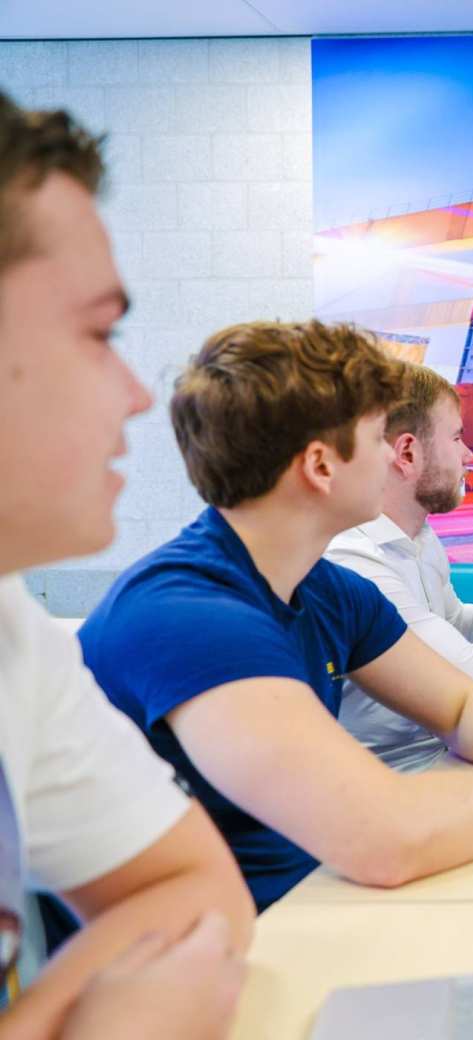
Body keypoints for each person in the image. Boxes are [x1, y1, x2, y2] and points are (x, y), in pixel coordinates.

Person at [78, 319, 473, 913]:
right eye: (375, 438)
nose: (394, 456)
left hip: (311, 900)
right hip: (251, 934)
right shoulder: (193, 619)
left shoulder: (326, 588)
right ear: (320, 466)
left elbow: (465, 705)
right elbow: (388, 841)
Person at [0, 93, 253, 1038]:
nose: (140, 394)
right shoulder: (185, 605)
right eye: (99, 334)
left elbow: (187, 888)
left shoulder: (11, 627)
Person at [326, 364, 473, 772]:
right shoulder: (356, 564)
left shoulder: (420, 540)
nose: (469, 455)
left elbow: (448, 623)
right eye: (457, 437)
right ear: (407, 454)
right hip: (403, 776)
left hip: (444, 755)